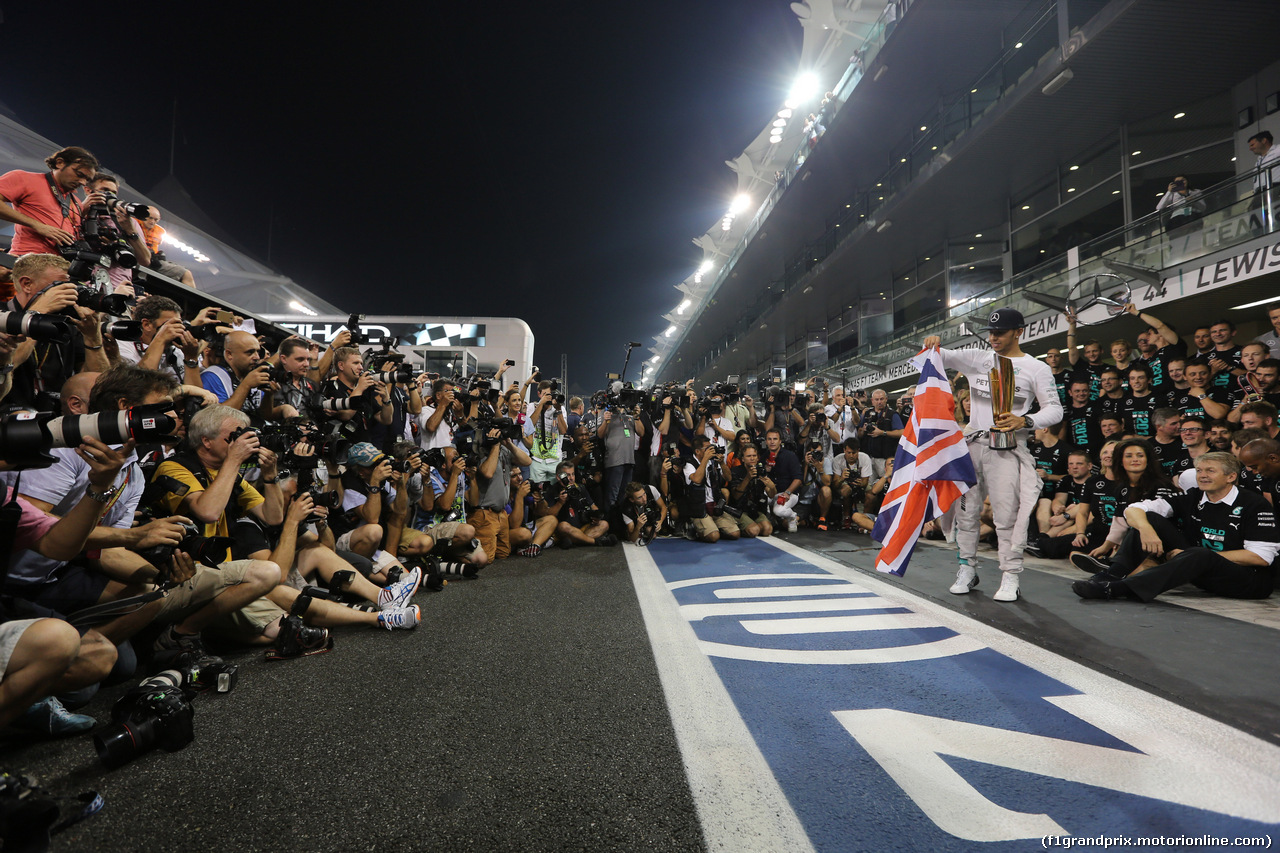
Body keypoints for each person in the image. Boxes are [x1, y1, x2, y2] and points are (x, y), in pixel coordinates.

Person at [922, 307, 1063, 602]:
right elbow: (941, 356)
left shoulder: (1037, 368)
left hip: (1008, 448)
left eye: (1000, 332)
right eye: (991, 332)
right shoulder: (979, 358)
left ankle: (1010, 575)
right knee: (967, 512)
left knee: (1005, 515)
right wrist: (933, 343)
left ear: (1018, 332)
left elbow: (1054, 409)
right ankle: (966, 568)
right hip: (972, 445)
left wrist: (1025, 421)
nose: (994, 337)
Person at [1071, 453, 1278, 602]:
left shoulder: (1254, 504)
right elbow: (1133, 509)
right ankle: (1111, 574)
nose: (1202, 475)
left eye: (1210, 471)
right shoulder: (1193, 496)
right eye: (1199, 470)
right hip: (1199, 567)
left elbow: (1261, 557)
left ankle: (1119, 589)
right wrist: (1146, 529)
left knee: (1200, 554)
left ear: (1231, 477)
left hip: (1247, 582)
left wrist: (1193, 556)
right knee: (1149, 517)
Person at [4, 254, 110, 410]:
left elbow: (100, 386)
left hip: (58, 417)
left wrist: (92, 337)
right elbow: (6, 364)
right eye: (59, 286)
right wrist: (36, 315)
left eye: (70, 286)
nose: (69, 293)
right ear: (27, 284)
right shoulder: (2, 317)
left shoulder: (66, 325)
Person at [0, 146, 98, 255]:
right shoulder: (23, 178)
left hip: (62, 265)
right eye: (79, 174)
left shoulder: (77, 202)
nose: (83, 182)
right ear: (60, 163)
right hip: (28, 259)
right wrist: (37, 225)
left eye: (87, 180)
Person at [859, 388, 904, 479]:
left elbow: (902, 432)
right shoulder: (867, 413)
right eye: (876, 399)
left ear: (886, 399)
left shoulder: (892, 414)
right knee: (869, 486)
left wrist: (883, 433)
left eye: (881, 399)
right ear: (872, 401)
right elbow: (859, 433)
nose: (879, 402)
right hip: (868, 457)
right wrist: (863, 429)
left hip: (884, 458)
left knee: (885, 483)